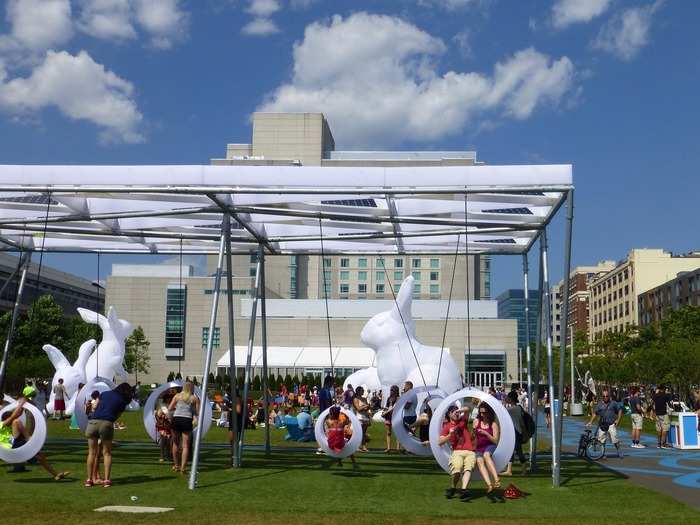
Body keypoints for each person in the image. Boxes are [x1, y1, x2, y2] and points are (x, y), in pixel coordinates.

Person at [1, 395, 70, 480]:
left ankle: (56, 474)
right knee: (16, 421)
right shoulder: (2, 424)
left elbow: (17, 413)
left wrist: (24, 403)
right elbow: (14, 416)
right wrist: (21, 403)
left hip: (17, 446)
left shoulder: (9, 425)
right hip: (12, 448)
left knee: (40, 456)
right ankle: (29, 439)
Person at [84, 383, 131, 487]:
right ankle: (106, 480)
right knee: (107, 453)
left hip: (92, 422)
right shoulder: (122, 401)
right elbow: (116, 416)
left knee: (91, 453)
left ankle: (89, 480)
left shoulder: (104, 394)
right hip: (106, 423)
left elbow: (95, 406)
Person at [439, 405, 475, 500]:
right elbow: (440, 442)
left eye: (457, 412)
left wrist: (458, 410)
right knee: (457, 470)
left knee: (468, 469)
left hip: (469, 451)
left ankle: (464, 490)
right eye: (453, 412)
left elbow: (468, 409)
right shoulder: (447, 426)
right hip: (457, 451)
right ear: (449, 414)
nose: (456, 413)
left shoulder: (463, 421)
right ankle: (453, 488)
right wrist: (449, 435)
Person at [168, 381, 200, 474]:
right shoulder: (194, 398)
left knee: (175, 444)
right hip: (187, 420)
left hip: (176, 419)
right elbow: (197, 413)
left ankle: (176, 465)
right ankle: (183, 468)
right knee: (185, 446)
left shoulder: (177, 396)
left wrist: (177, 409)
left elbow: (170, 408)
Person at [586, 389, 623, 458]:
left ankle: (619, 451)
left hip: (611, 424)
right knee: (601, 440)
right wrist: (590, 422)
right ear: (602, 397)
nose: (605, 397)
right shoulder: (599, 404)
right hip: (602, 425)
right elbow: (595, 414)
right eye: (604, 396)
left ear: (609, 396)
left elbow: (620, 410)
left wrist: (618, 420)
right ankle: (603, 453)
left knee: (614, 439)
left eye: (607, 396)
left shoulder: (613, 403)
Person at [473, 403, 501, 493]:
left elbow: (495, 441)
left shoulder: (493, 424)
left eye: (484, 412)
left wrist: (486, 433)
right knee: (479, 460)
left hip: (490, 445)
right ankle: (489, 485)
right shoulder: (476, 421)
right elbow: (472, 437)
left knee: (486, 455)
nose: (482, 415)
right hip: (479, 446)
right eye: (480, 412)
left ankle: (497, 480)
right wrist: (473, 431)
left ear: (489, 412)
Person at [501, 391, 528, 476]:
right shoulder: (518, 408)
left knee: (518, 451)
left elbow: (502, 412)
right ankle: (510, 470)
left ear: (511, 399)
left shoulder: (512, 409)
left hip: (515, 432)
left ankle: (523, 470)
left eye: (508, 398)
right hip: (517, 432)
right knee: (512, 451)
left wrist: (504, 403)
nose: (506, 399)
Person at [381, 385, 400, 453]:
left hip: (395, 417)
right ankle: (388, 448)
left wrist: (385, 412)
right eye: (390, 390)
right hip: (388, 416)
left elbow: (394, 408)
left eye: (392, 390)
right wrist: (384, 410)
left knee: (398, 433)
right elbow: (387, 406)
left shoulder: (398, 398)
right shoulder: (389, 398)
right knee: (388, 432)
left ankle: (398, 448)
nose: (391, 391)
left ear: (396, 391)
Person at [352, 386, 371, 452]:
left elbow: (366, 408)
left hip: (365, 417)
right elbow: (358, 408)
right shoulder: (356, 399)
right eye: (362, 390)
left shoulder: (364, 399)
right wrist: (365, 406)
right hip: (359, 417)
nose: (363, 391)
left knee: (364, 433)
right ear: (358, 391)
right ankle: (357, 446)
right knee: (359, 432)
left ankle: (363, 446)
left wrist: (368, 406)